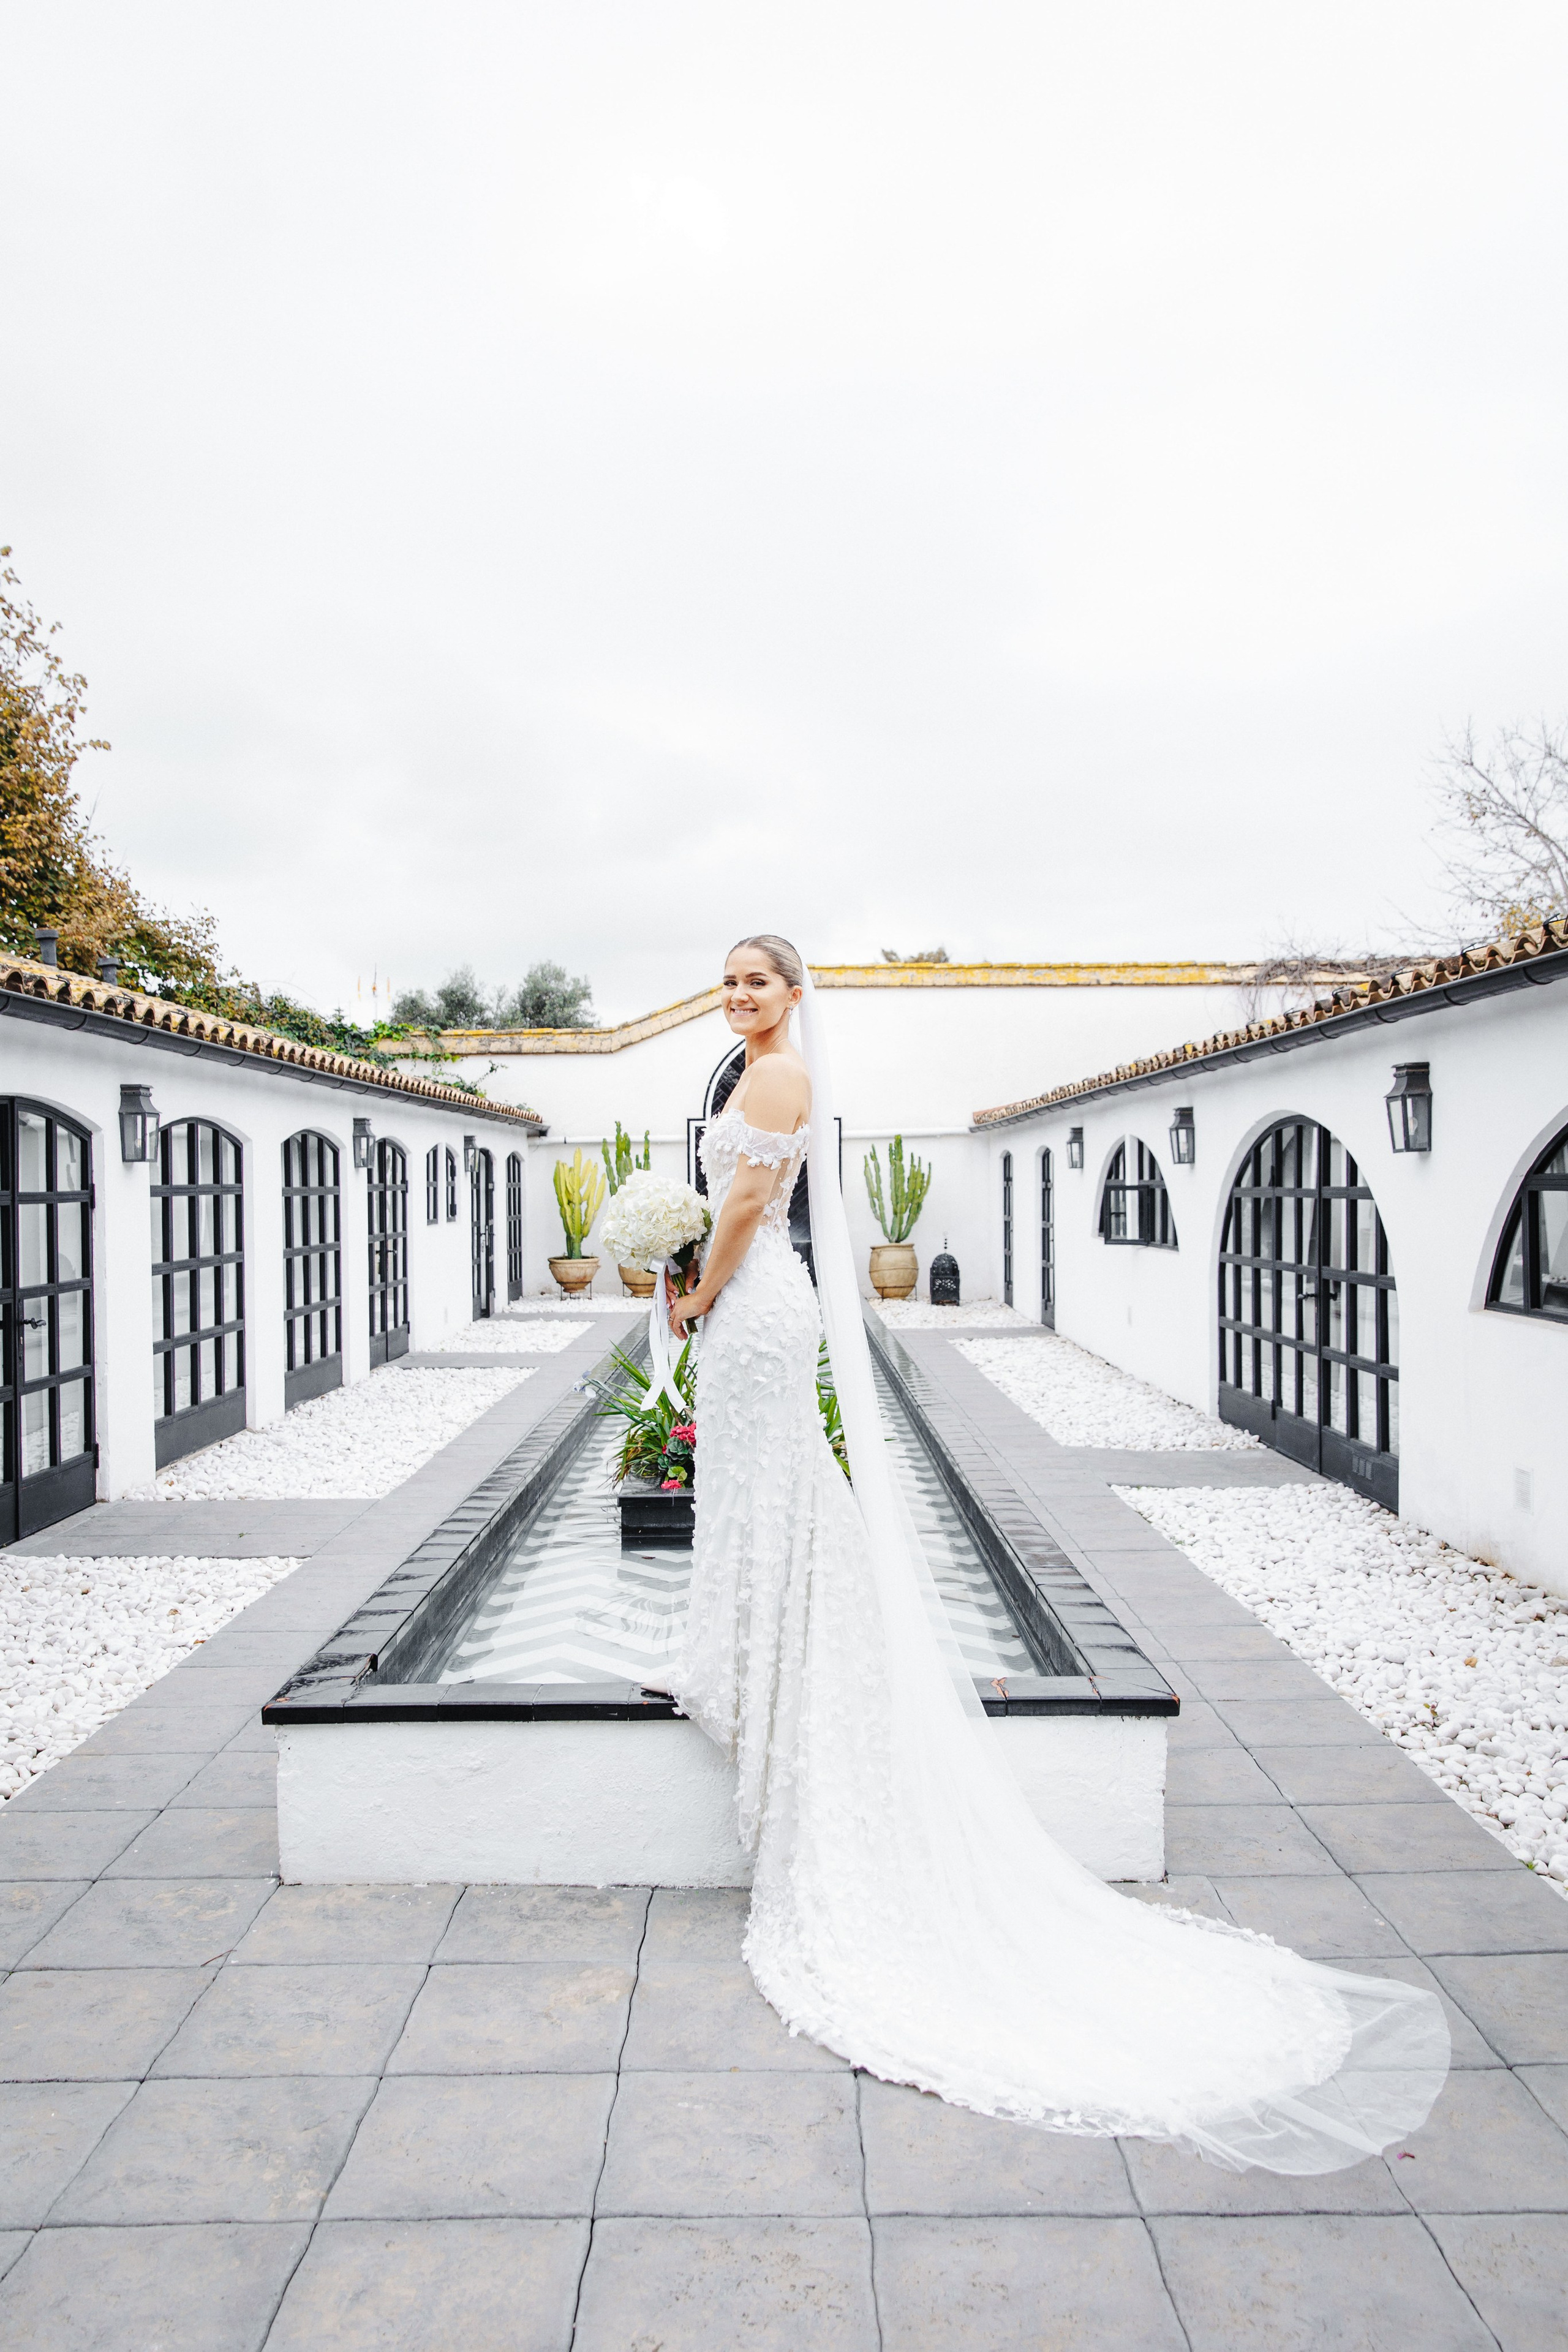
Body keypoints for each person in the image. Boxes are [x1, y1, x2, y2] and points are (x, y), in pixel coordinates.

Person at [663, 933, 1449, 2174]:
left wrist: (695, 1295)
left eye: (756, 981)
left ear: (795, 993)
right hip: (750, 1307)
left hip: (754, 1309)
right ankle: (763, 1658)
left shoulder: (775, 1081)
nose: (738, 996)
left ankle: (772, 1668)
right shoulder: (738, 1070)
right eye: (727, 982)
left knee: (774, 1490)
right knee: (774, 1495)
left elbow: (752, 1208)